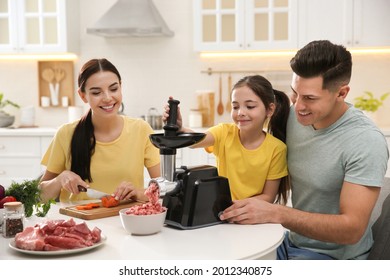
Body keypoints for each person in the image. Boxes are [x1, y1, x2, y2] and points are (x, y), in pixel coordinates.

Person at [220, 40, 389, 260]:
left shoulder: (365, 141)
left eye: (309, 98)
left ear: (342, 93)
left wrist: (277, 213)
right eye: (294, 94)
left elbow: (352, 229)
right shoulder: (295, 117)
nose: (298, 106)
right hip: (289, 241)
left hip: (333, 258)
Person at [39, 58, 160, 203]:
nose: (108, 98)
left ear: (121, 87)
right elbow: (40, 196)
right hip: (78, 222)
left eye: (114, 89)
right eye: (97, 92)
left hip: (127, 222)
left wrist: (138, 193)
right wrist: (60, 179)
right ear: (83, 95)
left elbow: (164, 190)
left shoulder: (141, 130)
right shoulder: (66, 134)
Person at [163, 75, 291, 204]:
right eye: (235, 107)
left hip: (254, 216)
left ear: (270, 110)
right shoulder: (224, 133)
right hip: (222, 213)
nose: (240, 112)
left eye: (250, 106)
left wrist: (233, 207)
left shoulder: (277, 149)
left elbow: (268, 197)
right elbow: (195, 141)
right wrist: (180, 129)